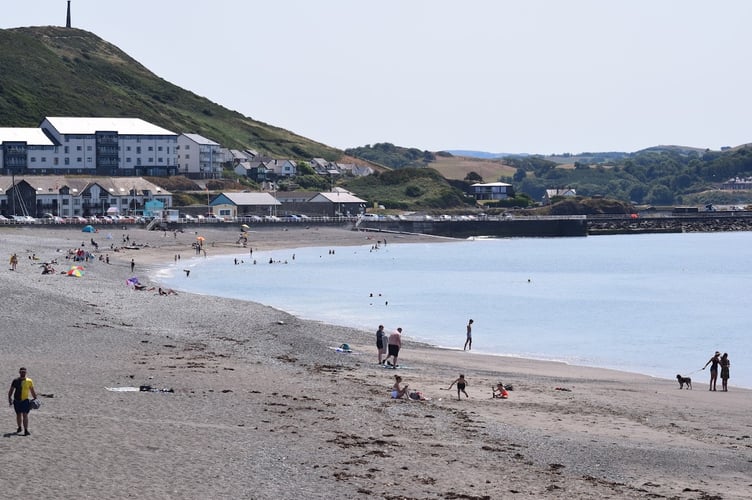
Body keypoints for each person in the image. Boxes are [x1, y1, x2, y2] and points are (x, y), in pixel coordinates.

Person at [8, 367, 37, 436]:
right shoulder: (15, 380)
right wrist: (9, 398)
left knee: (25, 415)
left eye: (24, 372)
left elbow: (32, 390)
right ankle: (19, 427)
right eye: (21, 372)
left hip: (25, 400)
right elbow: (11, 390)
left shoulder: (29, 381)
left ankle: (26, 430)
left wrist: (35, 398)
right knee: (18, 414)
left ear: (26, 373)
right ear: (19, 372)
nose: (23, 373)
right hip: (17, 400)